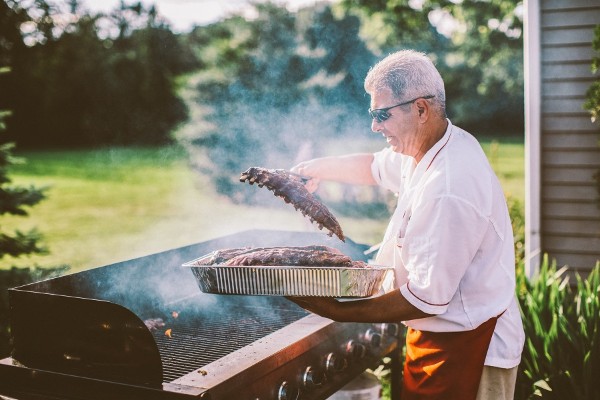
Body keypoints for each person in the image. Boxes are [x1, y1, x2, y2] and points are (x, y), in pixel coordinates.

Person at [288, 50, 524, 400]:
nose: (374, 126)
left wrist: (337, 310)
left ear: (421, 109)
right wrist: (315, 169)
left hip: (471, 347)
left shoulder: (449, 188)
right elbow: (372, 166)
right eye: (372, 114)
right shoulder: (428, 148)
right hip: (438, 336)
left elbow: (425, 300)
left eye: (381, 114)